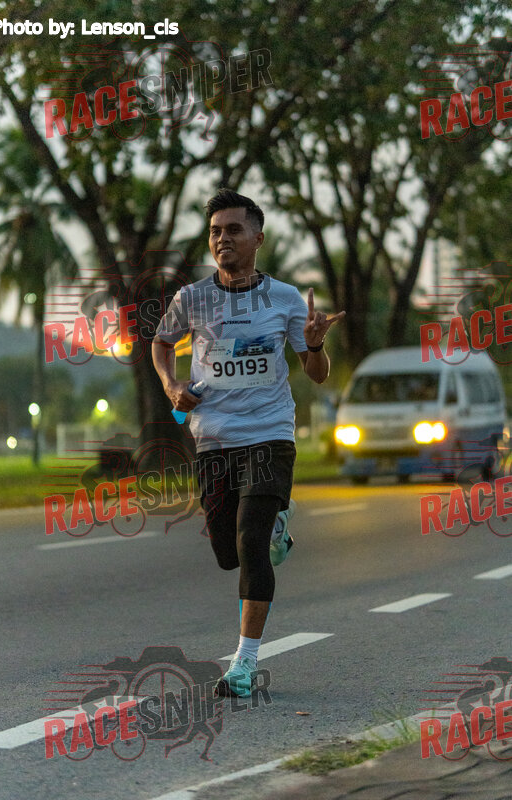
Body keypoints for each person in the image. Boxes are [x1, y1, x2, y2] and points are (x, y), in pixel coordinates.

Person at [152, 188, 345, 698]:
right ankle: (278, 523)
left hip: (269, 433)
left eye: (234, 230)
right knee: (226, 551)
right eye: (216, 231)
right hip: (214, 440)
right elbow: (161, 342)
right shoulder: (192, 299)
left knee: (250, 543)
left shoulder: (285, 298)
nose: (223, 239)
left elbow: (317, 374)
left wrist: (316, 343)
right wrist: (171, 386)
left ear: (258, 238)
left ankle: (243, 663)